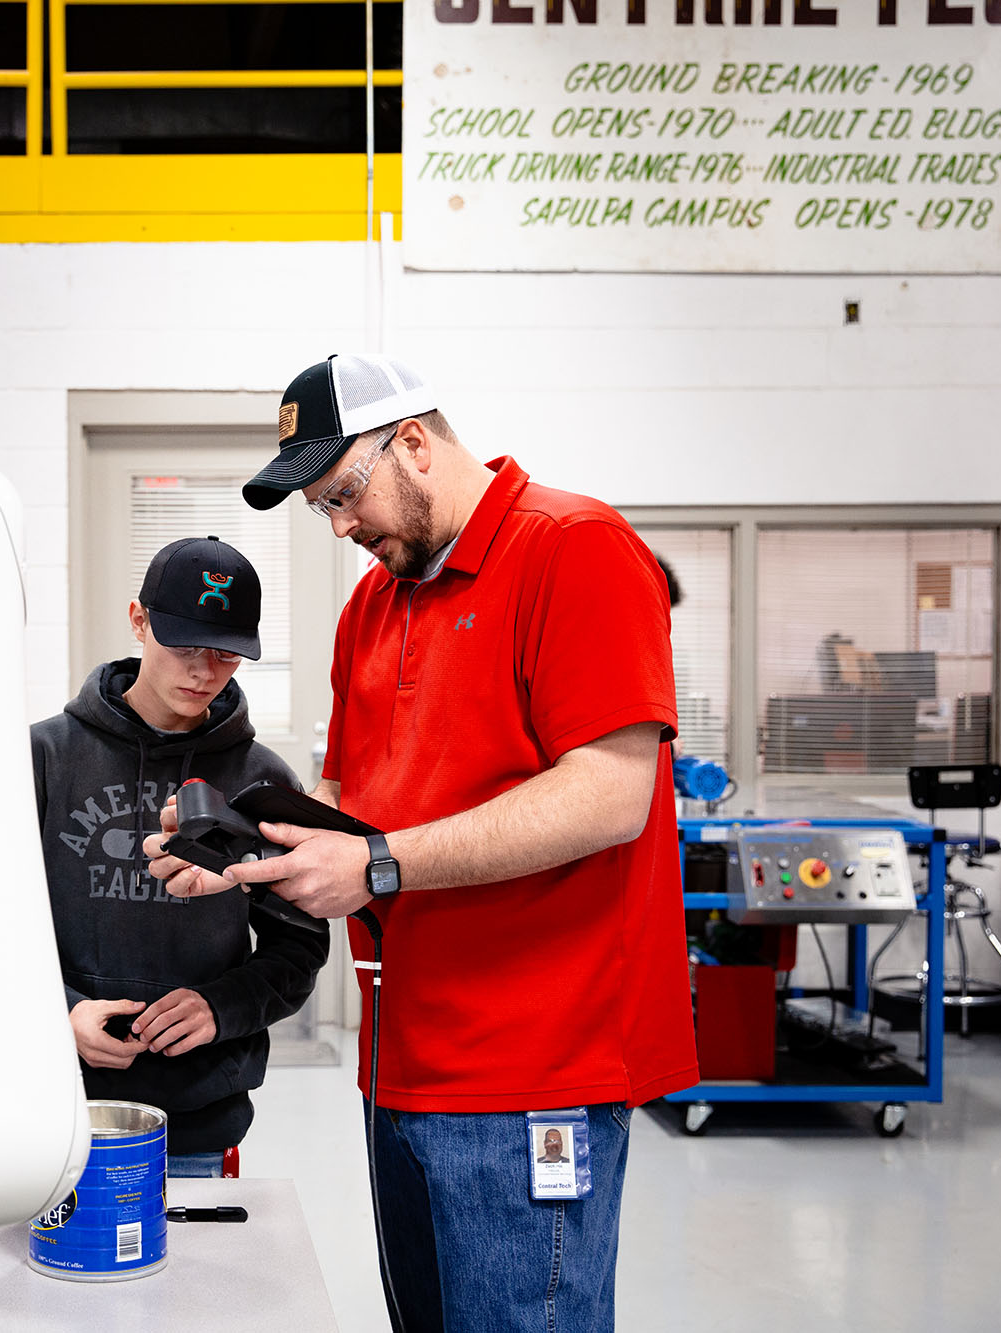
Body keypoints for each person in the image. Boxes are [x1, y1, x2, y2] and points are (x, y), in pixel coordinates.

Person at [146, 354, 697, 1331]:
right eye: (322, 509)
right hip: (401, 1058)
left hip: (534, 1070)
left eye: (344, 494)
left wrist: (379, 863)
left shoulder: (573, 548)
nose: (343, 526)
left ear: (413, 442)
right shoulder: (372, 605)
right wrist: (241, 856)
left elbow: (612, 794)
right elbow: (355, 810)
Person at [31, 535, 330, 1177]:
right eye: (184, 646)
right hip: (48, 1108)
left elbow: (298, 950)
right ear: (138, 620)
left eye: (225, 654)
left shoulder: (262, 781)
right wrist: (64, 1013)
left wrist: (219, 1009)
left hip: (196, 1120)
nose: (203, 671)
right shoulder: (44, 759)